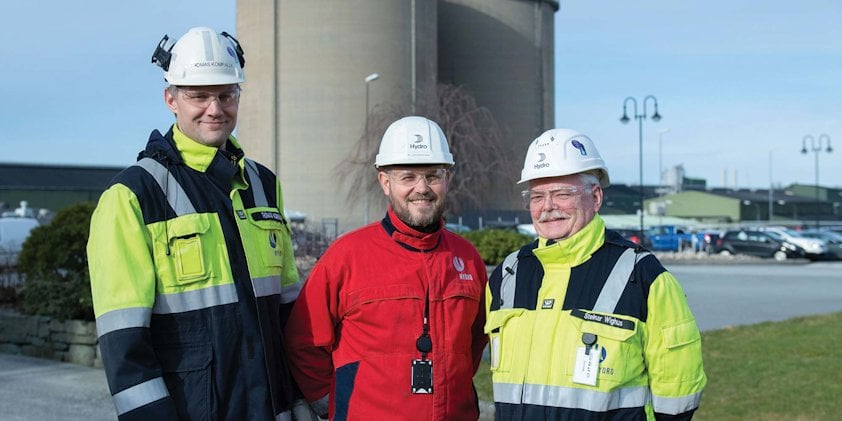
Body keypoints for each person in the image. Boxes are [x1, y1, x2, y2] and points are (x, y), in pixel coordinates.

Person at [87, 27, 310, 420]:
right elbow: (125, 346)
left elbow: (288, 314)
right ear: (171, 99)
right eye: (199, 96)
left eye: (226, 95)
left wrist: (299, 402)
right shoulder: (132, 197)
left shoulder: (264, 184)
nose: (215, 108)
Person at [485, 128, 706, 420]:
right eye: (537, 196)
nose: (548, 207)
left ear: (596, 196)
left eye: (562, 194)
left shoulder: (643, 275)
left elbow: (677, 397)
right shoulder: (508, 274)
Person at [284, 116, 488, 420]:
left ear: (448, 179)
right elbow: (303, 341)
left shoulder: (467, 259)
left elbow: (472, 345)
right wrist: (334, 402)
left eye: (433, 175)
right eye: (408, 176)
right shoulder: (347, 255)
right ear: (385, 181)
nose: (422, 188)